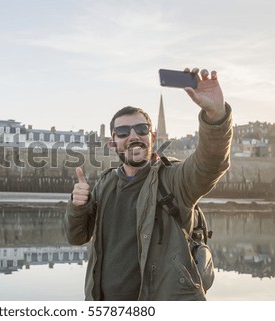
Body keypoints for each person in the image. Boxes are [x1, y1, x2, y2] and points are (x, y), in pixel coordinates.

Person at [65, 67, 233, 300]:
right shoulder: (104, 184)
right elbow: (76, 237)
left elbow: (211, 164)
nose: (133, 136)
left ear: (152, 137)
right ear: (112, 143)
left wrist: (215, 115)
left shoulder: (174, 179)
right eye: (123, 132)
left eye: (141, 129)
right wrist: (78, 205)